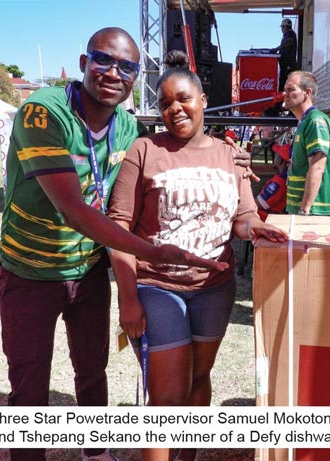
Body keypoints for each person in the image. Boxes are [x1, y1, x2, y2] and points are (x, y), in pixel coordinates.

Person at [0, 28, 226, 461]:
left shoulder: (126, 127)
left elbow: (159, 167)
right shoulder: (43, 112)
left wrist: (228, 160)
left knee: (92, 368)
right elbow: (73, 210)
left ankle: (95, 451)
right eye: (103, 60)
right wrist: (151, 252)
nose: (113, 73)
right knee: (29, 382)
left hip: (88, 269)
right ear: (84, 64)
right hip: (31, 271)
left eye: (126, 67)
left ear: (135, 78)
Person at [106, 50, 288, 461]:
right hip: (157, 286)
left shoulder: (228, 154)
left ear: (203, 100)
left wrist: (255, 227)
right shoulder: (144, 150)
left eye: (183, 98)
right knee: (167, 397)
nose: (175, 109)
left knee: (199, 378)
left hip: (214, 288)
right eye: (165, 103)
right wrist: (128, 297)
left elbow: (243, 216)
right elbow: (118, 227)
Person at [283, 71, 330, 216]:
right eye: (285, 89)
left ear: (307, 93)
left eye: (291, 89)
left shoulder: (315, 121)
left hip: (311, 211)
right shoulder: (305, 121)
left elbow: (317, 167)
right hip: (300, 209)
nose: (285, 94)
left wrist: (304, 209)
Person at [256, 143, 290, 221]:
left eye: (277, 155)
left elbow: (260, 203)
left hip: (264, 219)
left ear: (281, 160)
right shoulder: (285, 177)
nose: (275, 156)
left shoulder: (279, 181)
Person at [270, 18, 299, 91]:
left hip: (288, 66)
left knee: (285, 85)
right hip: (284, 66)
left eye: (282, 27)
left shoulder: (290, 34)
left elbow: (288, 42)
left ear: (285, 27)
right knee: (283, 84)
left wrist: (276, 49)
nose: (281, 29)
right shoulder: (287, 35)